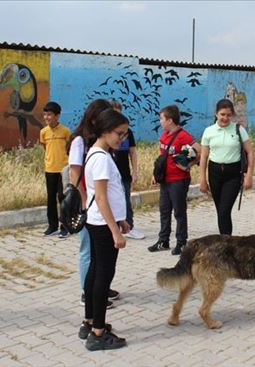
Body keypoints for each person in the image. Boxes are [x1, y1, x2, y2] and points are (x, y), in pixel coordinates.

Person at [80, 108, 131, 351]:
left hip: (98, 221)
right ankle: (98, 332)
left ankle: (90, 321)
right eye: (119, 134)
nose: (121, 139)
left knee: (95, 271)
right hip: (102, 225)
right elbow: (101, 197)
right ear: (105, 130)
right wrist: (115, 231)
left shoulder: (96, 153)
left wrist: (120, 220)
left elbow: (108, 194)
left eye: (124, 135)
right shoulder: (100, 158)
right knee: (103, 276)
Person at [68, 99, 120, 309]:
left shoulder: (98, 143)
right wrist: (84, 204)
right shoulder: (79, 142)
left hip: (96, 204)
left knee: (98, 257)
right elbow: (74, 175)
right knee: (88, 250)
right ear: (93, 119)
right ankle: (87, 293)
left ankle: (100, 289)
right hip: (89, 205)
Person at [148, 105, 201, 255]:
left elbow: (199, 150)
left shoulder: (183, 135)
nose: (160, 122)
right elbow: (162, 157)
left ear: (170, 120)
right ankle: (163, 240)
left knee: (179, 212)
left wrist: (188, 164)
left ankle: (181, 242)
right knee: (164, 211)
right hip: (165, 179)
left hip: (178, 180)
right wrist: (155, 174)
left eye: (161, 119)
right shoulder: (164, 135)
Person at [199, 99, 255, 235]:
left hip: (233, 175)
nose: (225, 118)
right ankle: (226, 243)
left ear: (232, 115)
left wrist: (249, 175)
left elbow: (250, 152)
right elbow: (204, 157)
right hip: (215, 173)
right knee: (220, 211)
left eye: (229, 115)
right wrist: (202, 180)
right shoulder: (209, 131)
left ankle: (226, 244)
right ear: (216, 114)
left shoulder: (239, 130)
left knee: (224, 210)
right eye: (222, 114)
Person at [109, 100, 144, 240]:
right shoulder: (105, 133)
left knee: (125, 200)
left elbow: (133, 152)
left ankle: (129, 226)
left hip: (123, 173)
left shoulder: (127, 132)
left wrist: (135, 171)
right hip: (109, 174)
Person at [39, 101, 71, 238]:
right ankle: (52, 226)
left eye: (50, 115)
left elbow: (69, 149)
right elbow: (45, 148)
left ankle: (65, 227)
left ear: (57, 116)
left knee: (63, 198)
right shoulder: (43, 132)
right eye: (45, 114)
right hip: (50, 169)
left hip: (63, 170)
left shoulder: (65, 131)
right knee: (50, 198)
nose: (47, 117)